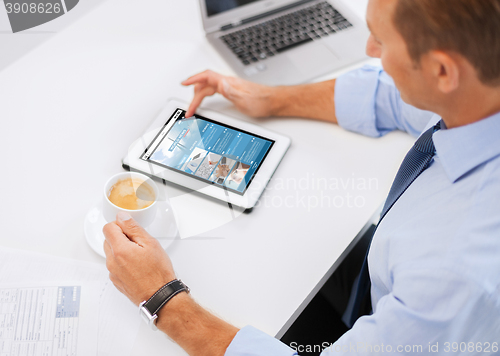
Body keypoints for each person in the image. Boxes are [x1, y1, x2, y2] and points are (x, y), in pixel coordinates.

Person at [103, 0, 500, 354]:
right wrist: (270, 98)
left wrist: (162, 300)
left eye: (380, 40)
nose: (369, 51)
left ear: (443, 70)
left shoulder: (457, 273)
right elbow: (390, 96)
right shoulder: (479, 92)